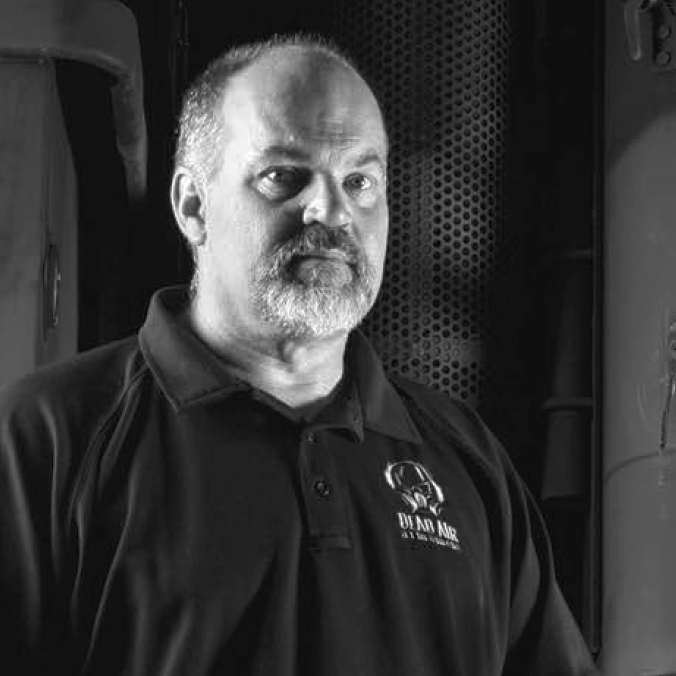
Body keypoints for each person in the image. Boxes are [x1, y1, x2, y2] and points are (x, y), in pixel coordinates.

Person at [0, 33, 598, 676]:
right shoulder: (49, 439)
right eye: (283, 175)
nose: (331, 211)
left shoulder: (468, 462)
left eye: (360, 181)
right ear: (192, 205)